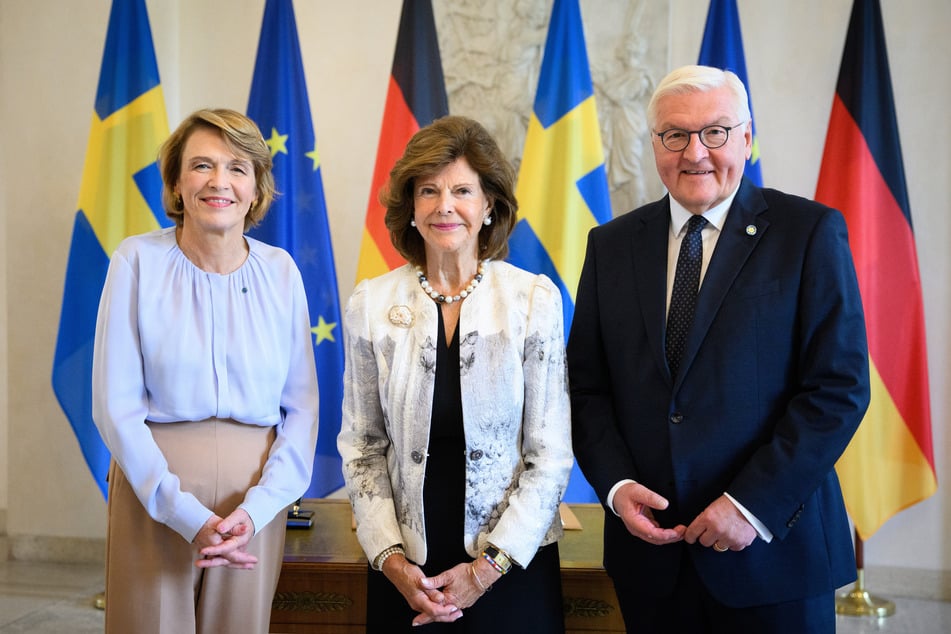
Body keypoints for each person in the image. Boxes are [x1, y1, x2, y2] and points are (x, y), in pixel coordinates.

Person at [567, 65, 870, 633]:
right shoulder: (610, 246)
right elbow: (587, 387)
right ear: (654, 144)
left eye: (715, 132)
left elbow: (838, 389)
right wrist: (615, 485)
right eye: (674, 135)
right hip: (651, 556)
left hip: (773, 553)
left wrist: (750, 504)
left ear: (746, 138)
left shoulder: (808, 233)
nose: (695, 152)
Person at [338, 115, 572, 632]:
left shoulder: (533, 301)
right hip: (405, 571)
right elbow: (361, 446)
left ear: (489, 205)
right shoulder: (372, 304)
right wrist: (392, 561)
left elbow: (550, 455)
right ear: (412, 208)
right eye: (429, 191)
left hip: (510, 566)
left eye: (462, 190)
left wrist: (486, 570)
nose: (445, 205)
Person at [92, 108, 319, 633]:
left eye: (238, 168)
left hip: (254, 498)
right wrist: (184, 515)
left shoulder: (282, 272)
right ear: (175, 182)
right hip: (156, 491)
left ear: (257, 186)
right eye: (201, 165)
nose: (220, 182)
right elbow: (114, 406)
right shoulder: (136, 262)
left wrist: (260, 508)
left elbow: (303, 408)